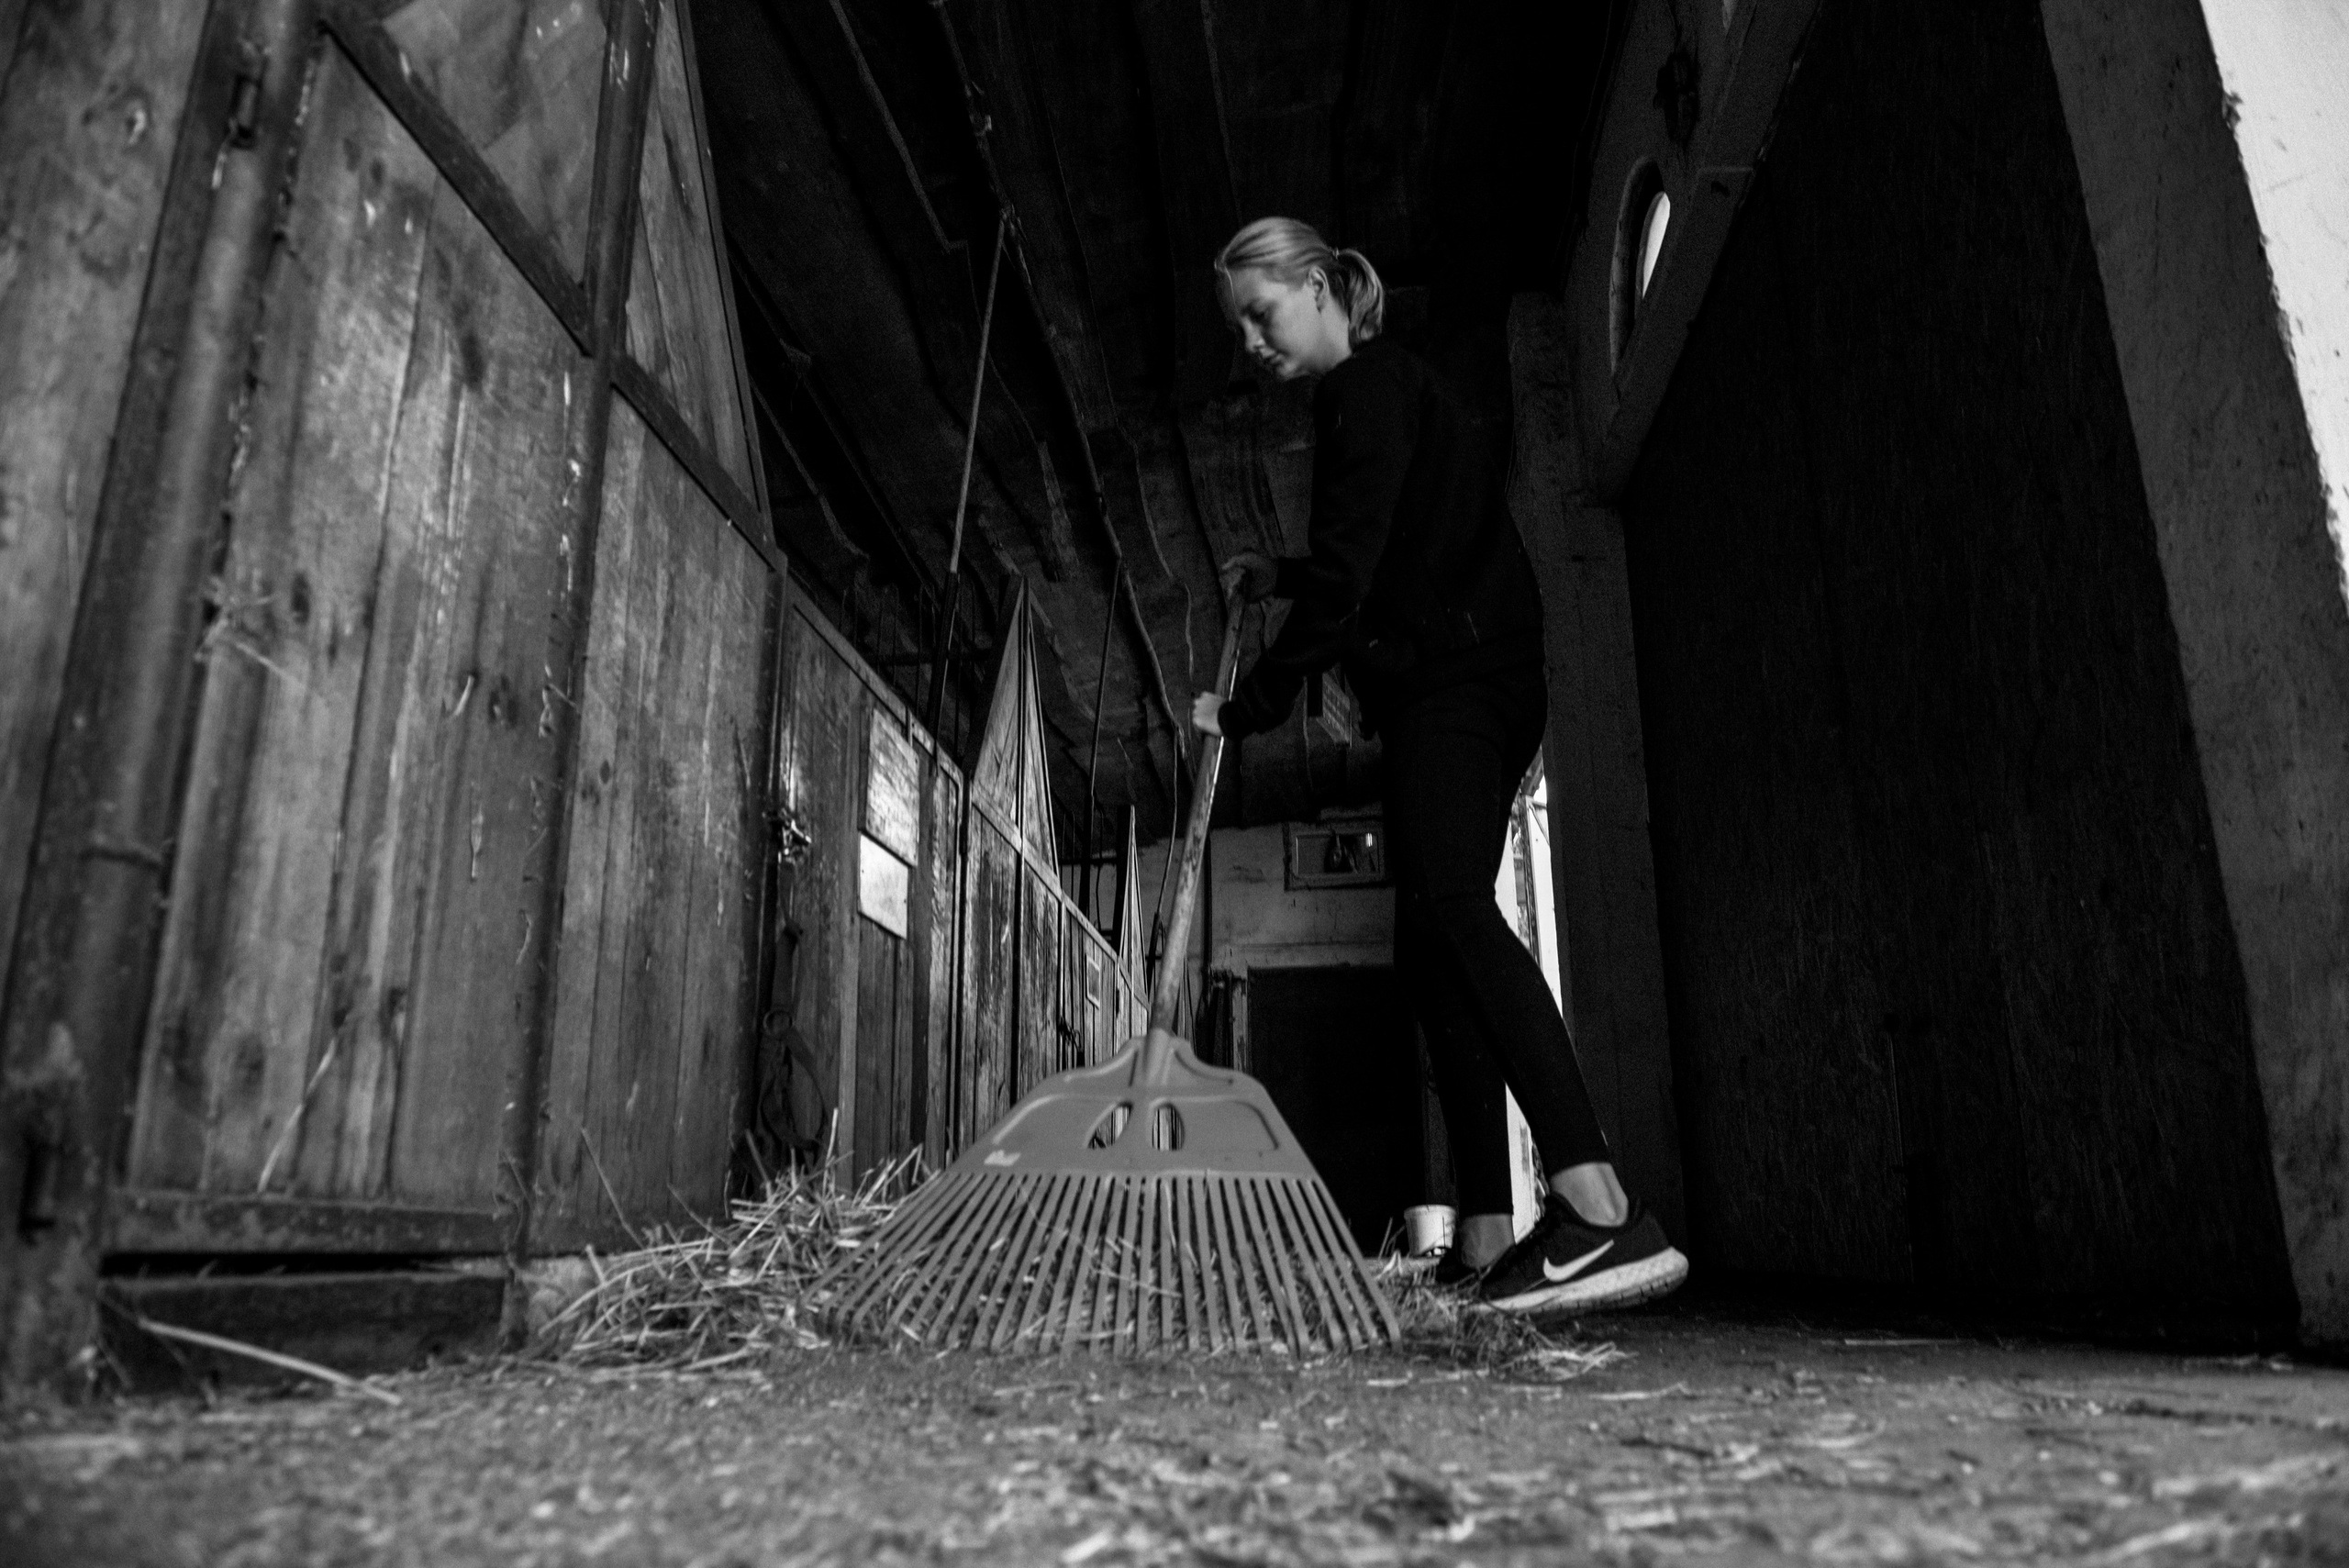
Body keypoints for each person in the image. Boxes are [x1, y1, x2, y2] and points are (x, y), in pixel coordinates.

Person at [1194, 217, 1687, 1317]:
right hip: (1473, 674)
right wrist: (1277, 574)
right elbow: (1374, 554)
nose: (1253, 346)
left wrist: (1246, 707)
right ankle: (1485, 1237)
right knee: (1430, 945)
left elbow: (1346, 585)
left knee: (1456, 912)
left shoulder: (1362, 390)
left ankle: (1600, 1206)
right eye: (1240, 331)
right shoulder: (1385, 393)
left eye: (1260, 316)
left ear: (1316, 285)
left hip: (1456, 683)